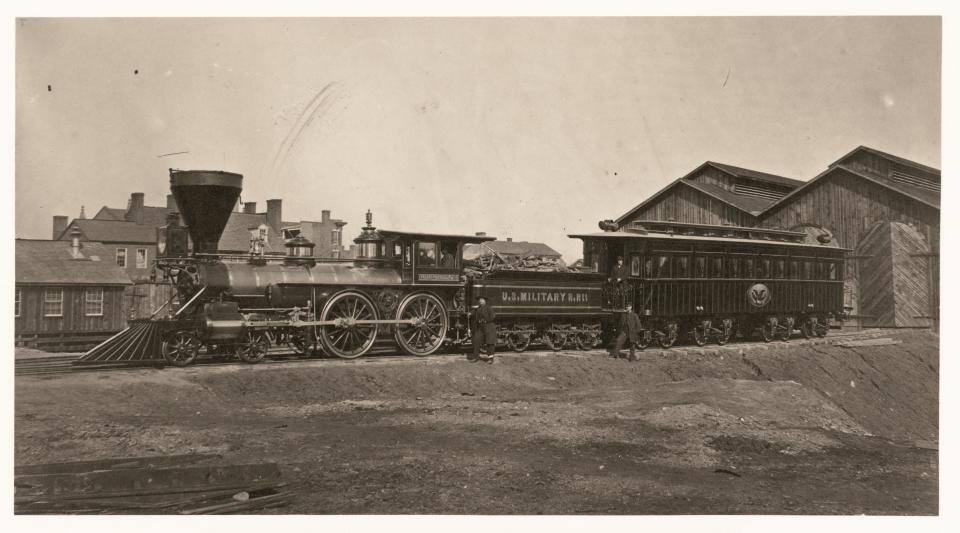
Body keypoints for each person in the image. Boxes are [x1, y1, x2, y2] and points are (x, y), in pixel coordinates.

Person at [470, 296, 497, 363]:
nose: (480, 301)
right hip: (480, 327)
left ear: (485, 301)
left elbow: (493, 317)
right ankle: (475, 357)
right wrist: (470, 314)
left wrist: (485, 320)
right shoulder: (478, 308)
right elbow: (474, 314)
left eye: (482, 300)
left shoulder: (489, 308)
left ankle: (490, 358)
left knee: (490, 342)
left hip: (488, 326)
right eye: (479, 300)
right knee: (476, 341)